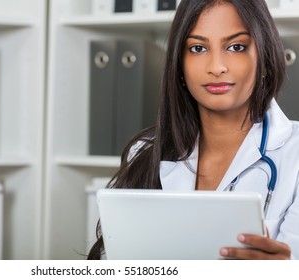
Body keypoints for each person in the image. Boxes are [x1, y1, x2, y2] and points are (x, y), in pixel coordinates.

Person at [87, 0, 299, 260]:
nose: (216, 66)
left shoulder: (294, 153)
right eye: (198, 48)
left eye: (236, 47)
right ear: (180, 63)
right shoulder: (145, 152)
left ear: (265, 58)